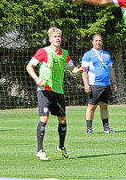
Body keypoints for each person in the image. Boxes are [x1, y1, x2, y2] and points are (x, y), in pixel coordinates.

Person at [26, 27, 84, 161]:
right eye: (55, 36)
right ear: (50, 39)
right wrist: (37, 79)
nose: (57, 38)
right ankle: (40, 150)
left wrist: (79, 70)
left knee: (62, 119)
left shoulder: (64, 53)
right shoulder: (43, 52)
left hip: (58, 90)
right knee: (44, 118)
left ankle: (61, 146)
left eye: (59, 36)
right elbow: (29, 66)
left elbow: (71, 68)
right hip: (44, 90)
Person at [82, 34, 118, 134]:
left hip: (106, 84)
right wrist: (86, 84)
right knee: (92, 106)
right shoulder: (88, 55)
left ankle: (106, 128)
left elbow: (111, 69)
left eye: (100, 41)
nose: (98, 42)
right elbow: (84, 71)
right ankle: (89, 129)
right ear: (92, 42)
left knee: (104, 106)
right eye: (96, 41)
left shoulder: (106, 54)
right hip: (94, 84)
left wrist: (114, 81)